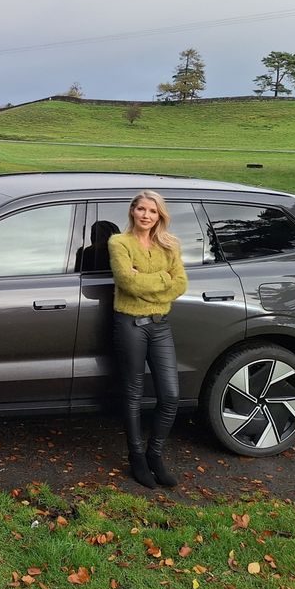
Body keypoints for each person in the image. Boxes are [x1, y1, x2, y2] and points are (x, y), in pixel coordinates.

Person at [108, 190, 188, 488]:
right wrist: (163, 280)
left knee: (171, 395)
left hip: (160, 325)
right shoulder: (119, 242)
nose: (146, 215)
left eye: (152, 211)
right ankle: (137, 457)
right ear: (132, 211)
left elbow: (181, 283)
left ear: (160, 216)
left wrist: (149, 281)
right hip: (130, 324)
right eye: (141, 209)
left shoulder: (170, 245)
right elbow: (126, 282)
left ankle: (155, 454)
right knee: (134, 393)